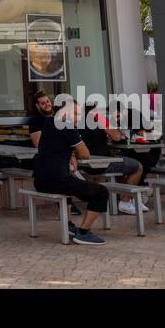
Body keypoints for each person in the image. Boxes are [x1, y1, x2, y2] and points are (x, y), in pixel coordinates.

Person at [32, 96, 109, 245]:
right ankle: (84, 233)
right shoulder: (67, 126)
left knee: (71, 185)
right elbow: (85, 154)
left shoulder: (48, 122)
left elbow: (58, 146)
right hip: (57, 180)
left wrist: (71, 154)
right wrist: (75, 149)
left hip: (40, 181)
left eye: (79, 114)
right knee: (101, 193)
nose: (78, 117)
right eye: (74, 113)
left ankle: (68, 226)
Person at [80, 102, 146, 214]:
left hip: (85, 165)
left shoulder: (78, 121)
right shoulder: (98, 117)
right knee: (137, 166)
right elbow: (116, 137)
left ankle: (129, 198)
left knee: (124, 165)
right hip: (102, 163)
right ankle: (125, 202)